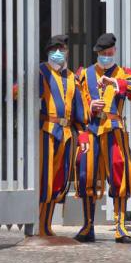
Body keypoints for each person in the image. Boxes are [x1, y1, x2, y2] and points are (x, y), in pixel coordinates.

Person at [74, 33, 131, 244]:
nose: (107, 56)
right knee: (86, 175)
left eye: (110, 53)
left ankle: (120, 228)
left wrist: (118, 85)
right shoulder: (84, 74)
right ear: (97, 53)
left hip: (114, 129)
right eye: (103, 54)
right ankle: (88, 226)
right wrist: (89, 107)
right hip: (90, 130)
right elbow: (73, 103)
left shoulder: (123, 73)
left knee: (120, 174)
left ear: (114, 51)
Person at [38, 34, 89, 236]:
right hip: (47, 130)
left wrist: (83, 135)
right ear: (48, 52)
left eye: (62, 49)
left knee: (59, 180)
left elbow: (79, 110)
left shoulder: (71, 78)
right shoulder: (41, 71)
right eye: (54, 49)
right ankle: (38, 225)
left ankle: (47, 226)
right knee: (45, 178)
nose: (58, 53)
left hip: (67, 133)